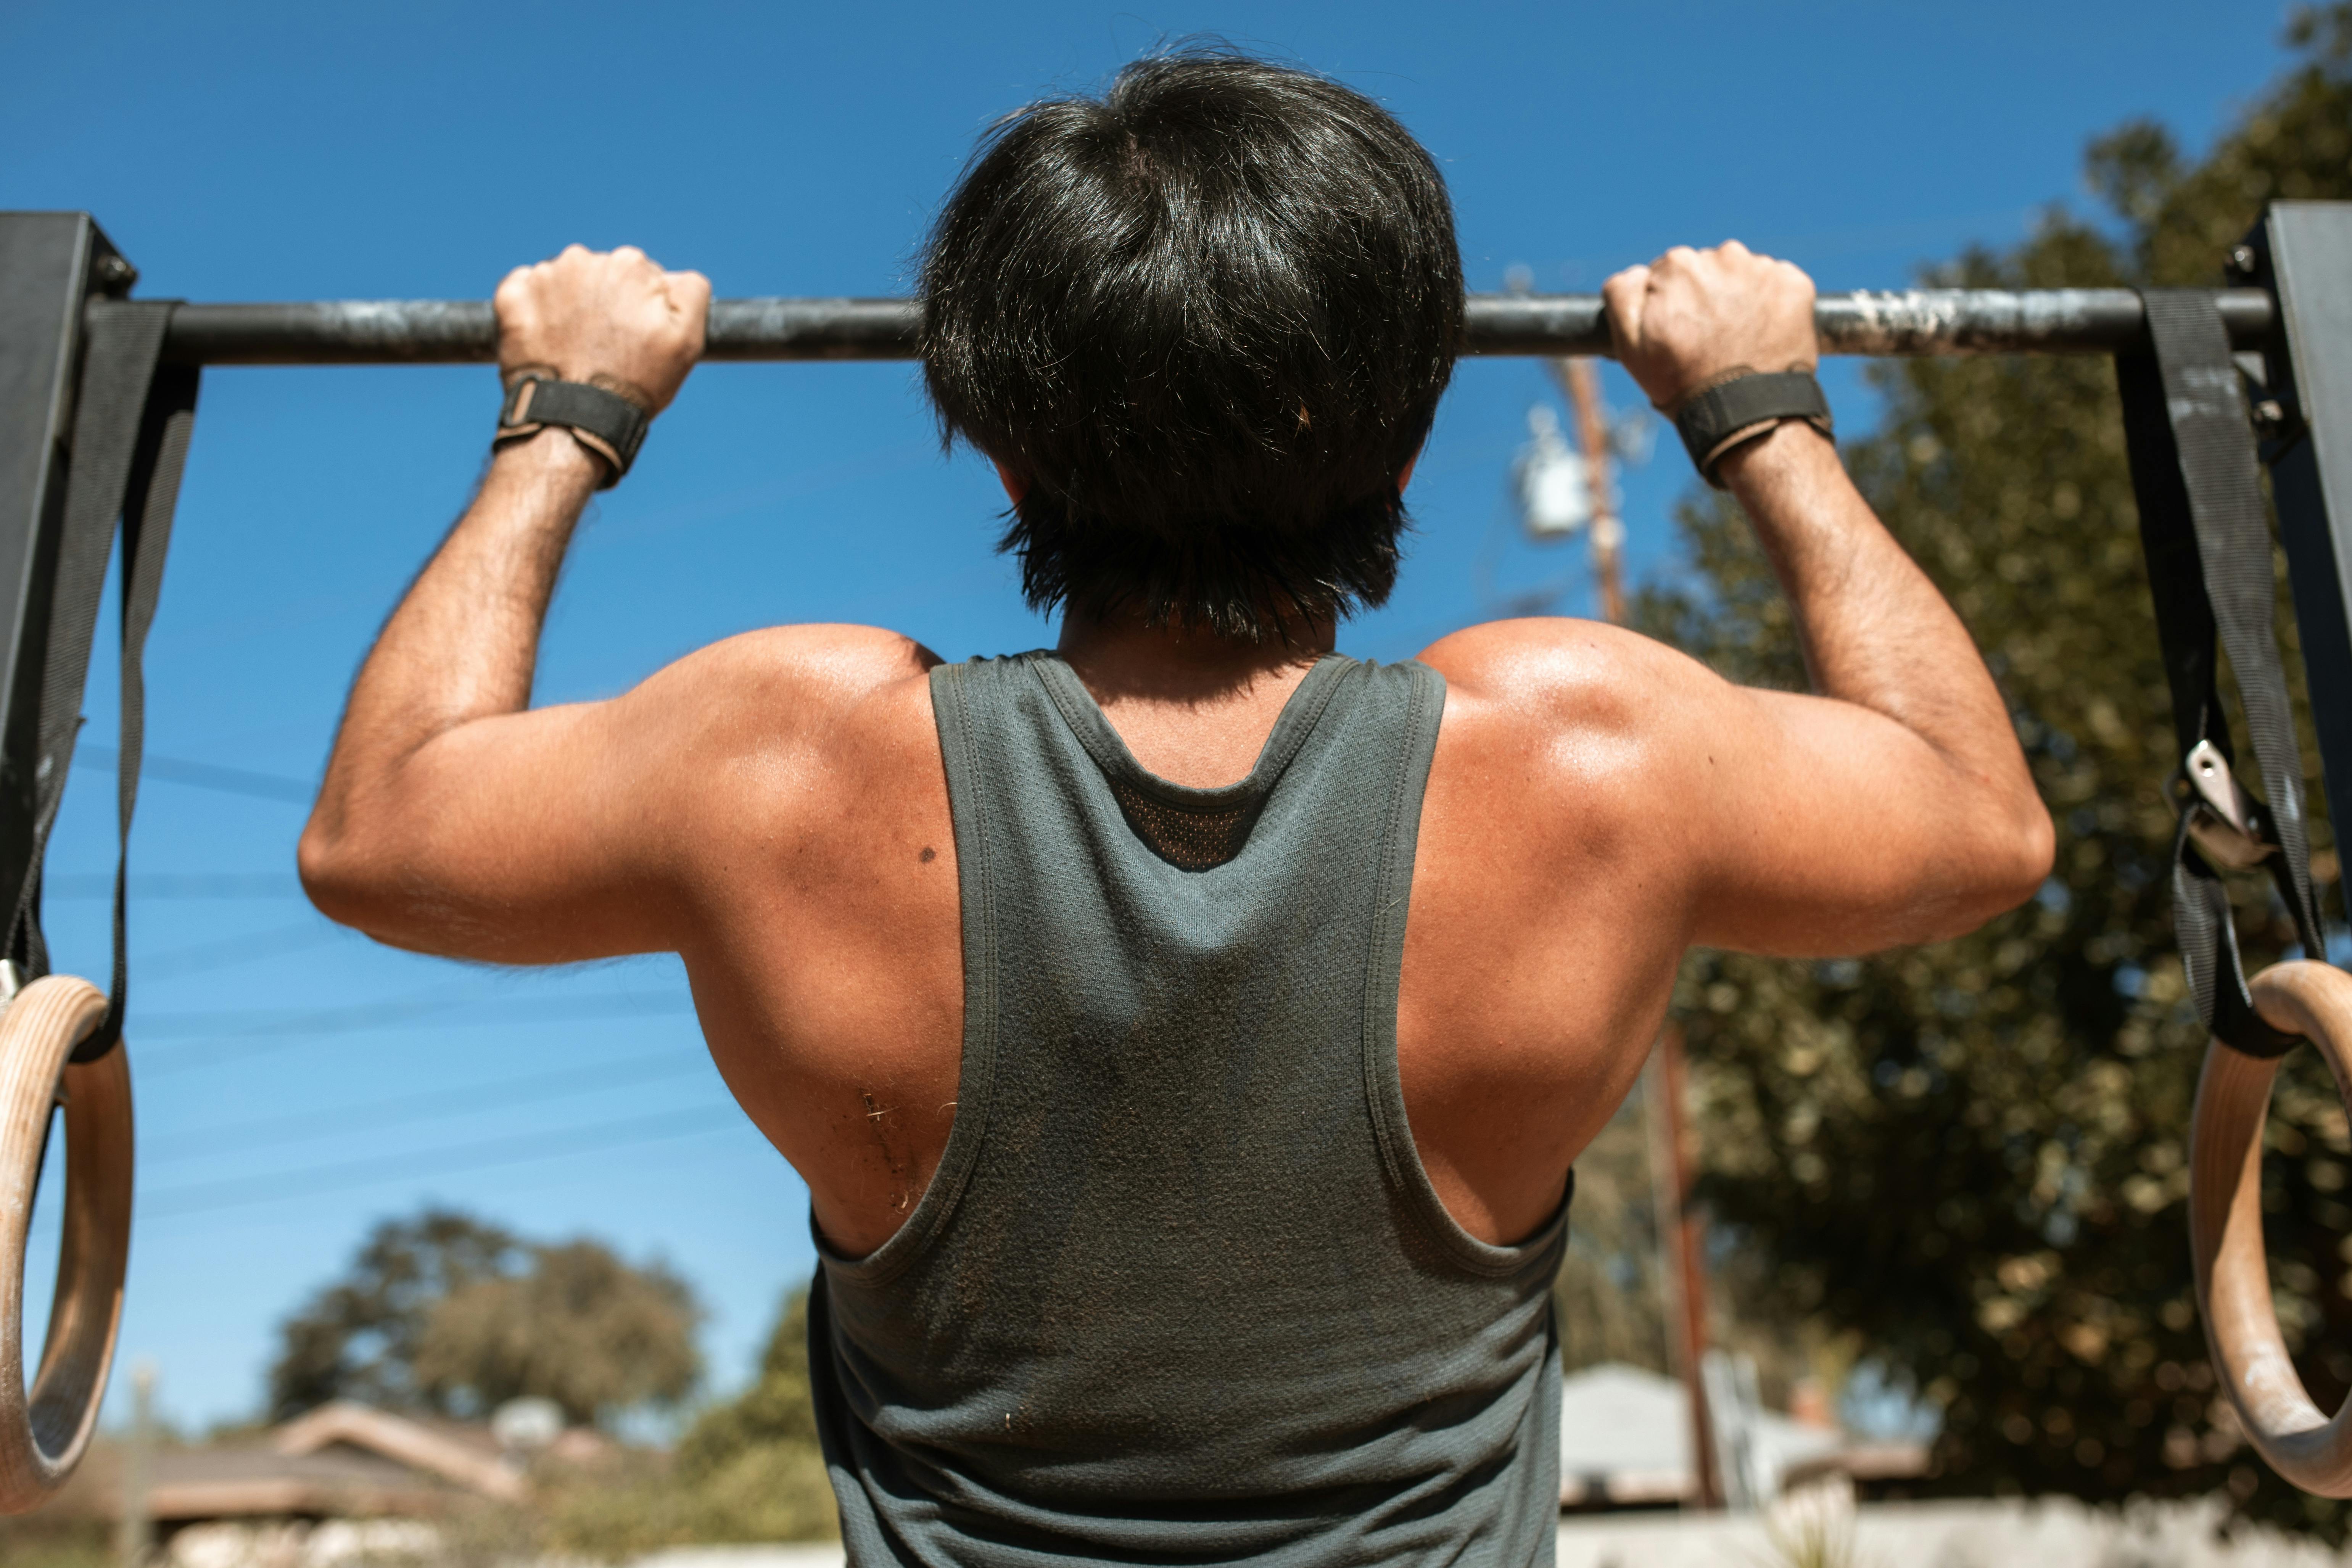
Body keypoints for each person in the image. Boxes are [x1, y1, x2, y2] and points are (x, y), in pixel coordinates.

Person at [300, 50, 2052, 1568]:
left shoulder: (788, 756)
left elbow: (378, 832)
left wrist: (568, 413)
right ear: (1407, 445)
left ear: (995, 445)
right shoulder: (1587, 750)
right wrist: (1763, 412)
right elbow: (1983, 821)